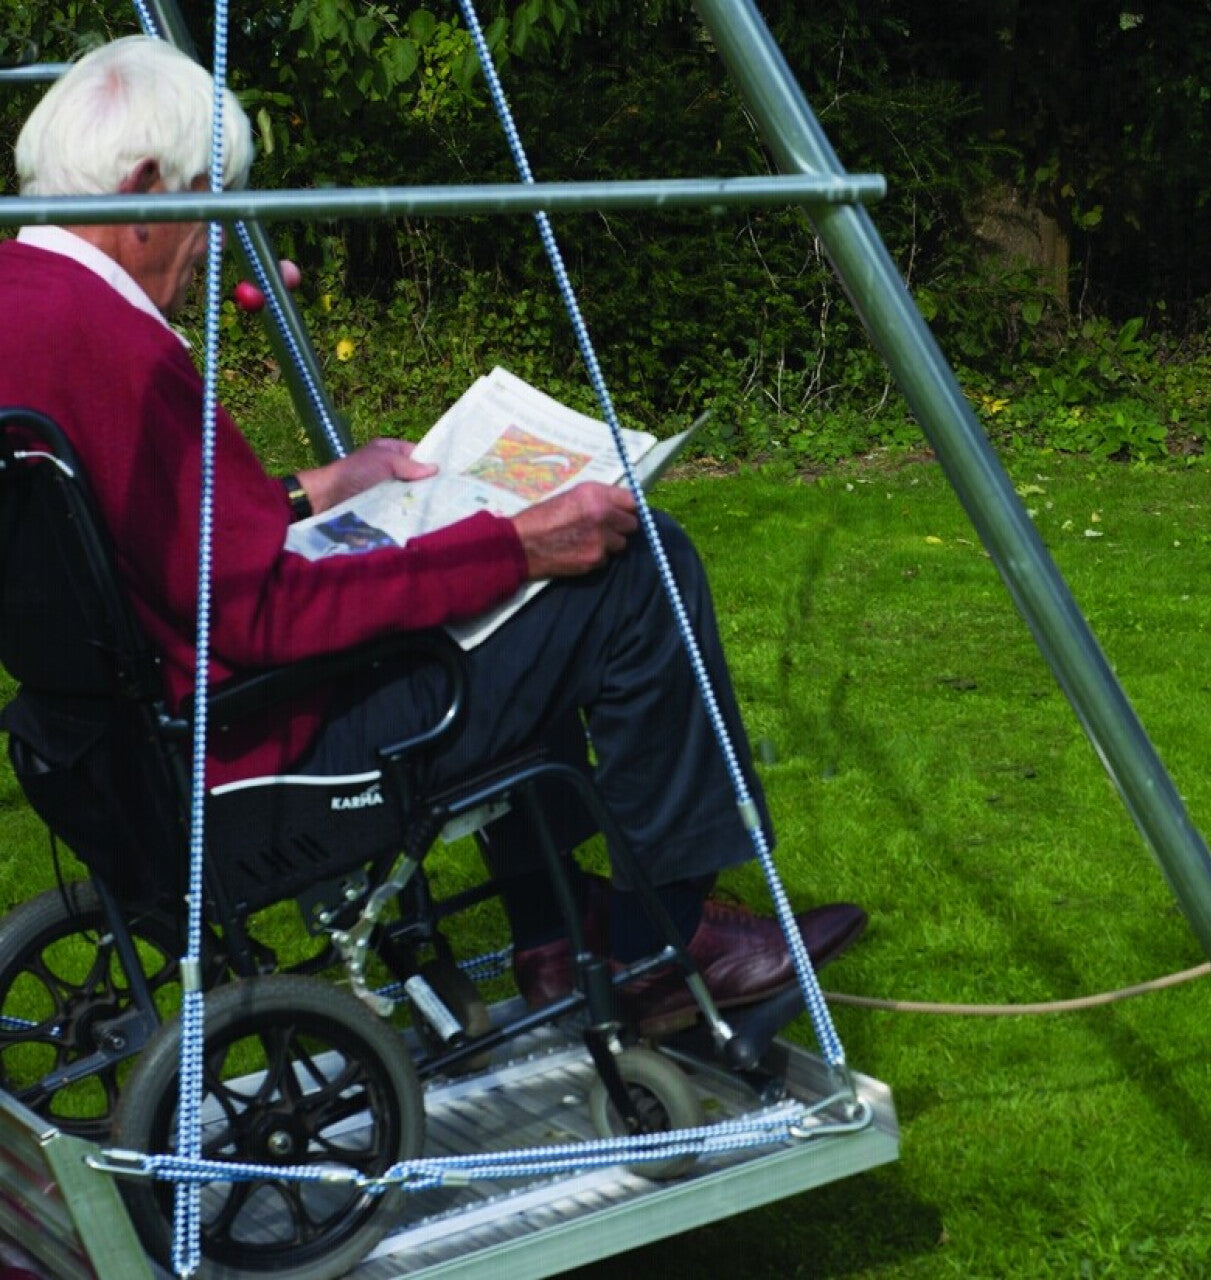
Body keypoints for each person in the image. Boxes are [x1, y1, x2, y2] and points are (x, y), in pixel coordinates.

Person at [0, 36, 865, 1034]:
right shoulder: (119, 344)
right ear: (145, 187)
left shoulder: (25, 299)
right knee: (640, 565)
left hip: (111, 744)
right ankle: (660, 938)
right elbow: (264, 615)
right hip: (251, 750)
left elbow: (126, 532)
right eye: (207, 203)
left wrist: (322, 488)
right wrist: (515, 546)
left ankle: (555, 927)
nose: (210, 242)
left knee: (516, 614)